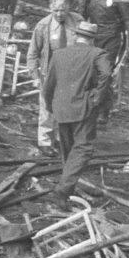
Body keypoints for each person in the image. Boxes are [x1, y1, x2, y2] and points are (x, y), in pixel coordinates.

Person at [42, 15, 106, 189]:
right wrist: (97, 96)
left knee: (68, 149)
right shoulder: (96, 53)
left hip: (60, 107)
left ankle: (67, 187)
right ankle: (63, 188)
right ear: (92, 39)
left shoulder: (58, 54)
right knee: (83, 148)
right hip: (83, 107)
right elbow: (107, 74)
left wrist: (50, 106)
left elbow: (48, 85)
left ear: (76, 36)